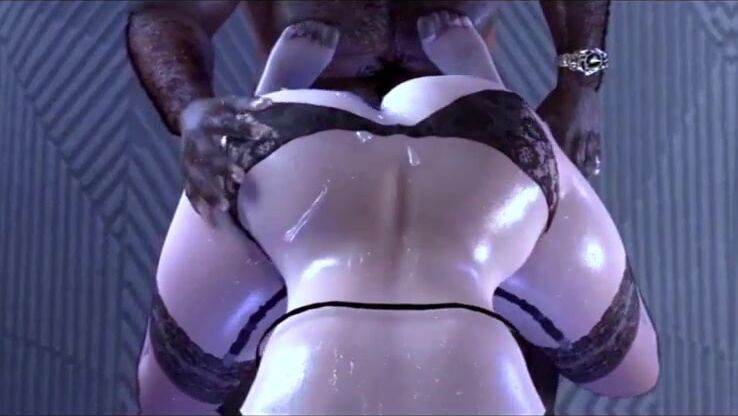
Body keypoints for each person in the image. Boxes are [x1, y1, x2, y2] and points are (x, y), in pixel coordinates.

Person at [127, 2, 659, 415]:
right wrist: (191, 109)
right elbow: (166, 13)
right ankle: (484, 87)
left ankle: (283, 89)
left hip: (297, 146)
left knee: (203, 378)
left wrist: (581, 84)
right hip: (475, 140)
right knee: (536, 346)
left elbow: (166, 12)